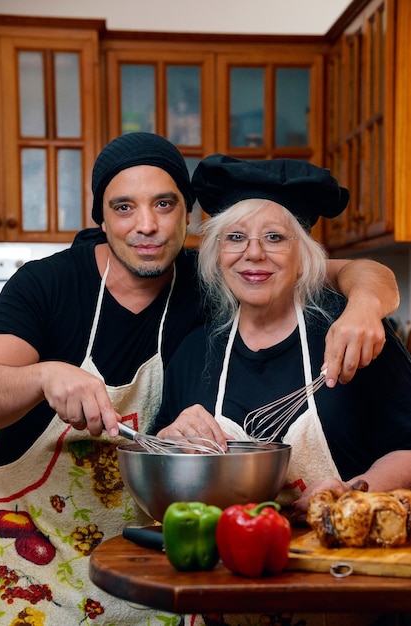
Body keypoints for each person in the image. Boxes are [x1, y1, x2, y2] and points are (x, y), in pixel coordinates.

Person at [0, 133, 401, 626]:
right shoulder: (55, 287)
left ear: (186, 215)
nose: (146, 225)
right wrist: (45, 377)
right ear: (100, 218)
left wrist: (366, 306)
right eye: (124, 207)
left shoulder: (317, 319)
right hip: (44, 550)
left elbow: (357, 271)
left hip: (287, 581)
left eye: (163, 204)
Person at [151, 154, 411, 626]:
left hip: (352, 594)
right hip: (226, 601)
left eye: (274, 237)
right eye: (235, 237)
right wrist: (172, 439)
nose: (253, 253)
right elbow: (159, 479)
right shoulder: (193, 352)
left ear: (306, 255)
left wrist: (352, 494)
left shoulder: (353, 334)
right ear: (216, 254)